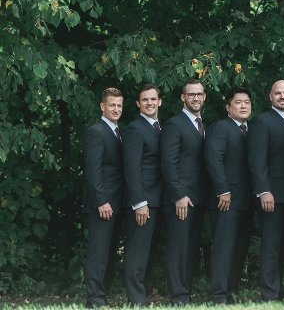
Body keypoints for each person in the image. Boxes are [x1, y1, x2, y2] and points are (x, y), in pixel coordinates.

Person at [247, 80, 284, 302]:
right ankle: (268, 293)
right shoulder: (261, 121)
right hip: (272, 195)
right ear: (270, 96)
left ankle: (277, 289)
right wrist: (263, 191)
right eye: (278, 93)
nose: (282, 96)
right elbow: (256, 160)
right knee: (270, 245)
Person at [204, 88, 253, 304]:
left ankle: (230, 290)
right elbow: (214, 160)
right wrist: (223, 190)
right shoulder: (220, 128)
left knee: (240, 248)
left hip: (247, 200)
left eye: (247, 102)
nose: (243, 106)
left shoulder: (251, 130)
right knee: (224, 248)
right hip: (226, 200)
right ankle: (218, 295)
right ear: (228, 107)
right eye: (238, 102)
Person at [161, 79, 208, 305]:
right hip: (181, 199)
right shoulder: (174, 124)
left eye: (199, 94)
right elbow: (168, 163)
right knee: (178, 248)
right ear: (183, 97)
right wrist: (179, 195)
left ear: (204, 97)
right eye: (191, 95)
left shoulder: (202, 124)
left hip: (198, 198)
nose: (196, 98)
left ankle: (186, 292)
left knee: (190, 248)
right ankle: (178, 296)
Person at [83, 87, 125, 308]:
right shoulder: (96, 132)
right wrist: (101, 201)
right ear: (102, 106)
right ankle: (95, 299)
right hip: (103, 204)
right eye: (112, 105)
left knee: (109, 252)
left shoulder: (119, 132)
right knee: (98, 252)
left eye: (119, 105)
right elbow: (93, 171)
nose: (116, 109)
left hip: (117, 203)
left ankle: (103, 294)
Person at [122, 84, 163, 306]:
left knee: (148, 252)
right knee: (138, 252)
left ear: (160, 101)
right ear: (138, 104)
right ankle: (136, 300)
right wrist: (139, 202)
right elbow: (132, 168)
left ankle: (142, 296)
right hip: (143, 201)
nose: (149, 103)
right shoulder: (134, 129)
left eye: (153, 99)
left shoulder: (159, 127)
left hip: (157, 200)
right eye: (144, 100)